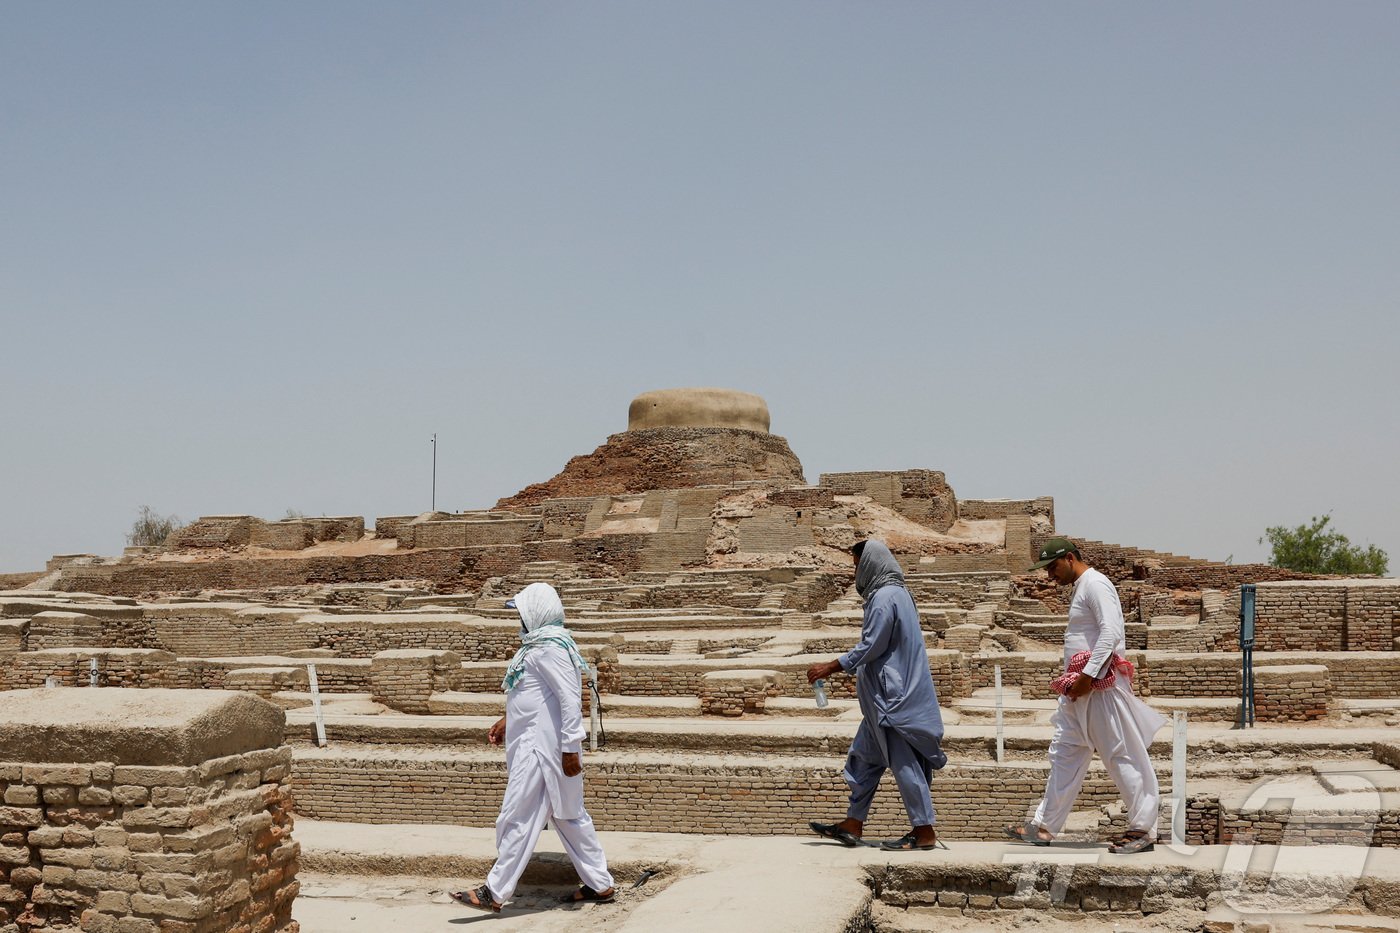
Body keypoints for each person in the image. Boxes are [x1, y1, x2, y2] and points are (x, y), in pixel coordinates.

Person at [451, 582, 616, 911]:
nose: (520, 622)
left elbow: (570, 701)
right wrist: (507, 720)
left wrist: (570, 748)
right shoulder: (535, 647)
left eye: (523, 615)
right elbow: (534, 698)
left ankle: (495, 892)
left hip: (545, 752)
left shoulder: (551, 648)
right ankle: (601, 884)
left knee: (517, 816)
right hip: (538, 746)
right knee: (569, 818)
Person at [1005, 537, 1166, 855]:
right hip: (1080, 692)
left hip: (1098, 689)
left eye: (1052, 568)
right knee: (1065, 753)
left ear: (1068, 558)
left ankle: (1143, 829)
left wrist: (1086, 678)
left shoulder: (1096, 584)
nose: (1051, 576)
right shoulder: (1083, 586)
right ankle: (1045, 826)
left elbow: (1111, 633)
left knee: (1123, 755)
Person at [806, 539, 948, 851]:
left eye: (857, 565)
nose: (856, 572)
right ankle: (853, 823)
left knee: (905, 763)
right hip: (879, 705)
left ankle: (924, 831)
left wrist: (831, 666)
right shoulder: (897, 594)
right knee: (864, 759)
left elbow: (872, 645)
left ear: (869, 564)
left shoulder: (884, 597)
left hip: (892, 702)